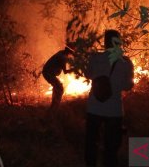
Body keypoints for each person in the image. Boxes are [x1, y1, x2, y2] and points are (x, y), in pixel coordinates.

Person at [84, 30, 134, 167]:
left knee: (91, 143)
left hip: (94, 107)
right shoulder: (126, 63)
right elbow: (127, 86)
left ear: (105, 42)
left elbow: (87, 74)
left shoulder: (95, 58)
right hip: (114, 110)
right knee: (111, 148)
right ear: (119, 42)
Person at [42, 46, 73, 112]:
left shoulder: (61, 53)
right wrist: (74, 69)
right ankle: (54, 107)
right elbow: (65, 72)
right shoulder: (62, 57)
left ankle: (54, 105)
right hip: (48, 73)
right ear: (69, 52)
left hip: (48, 72)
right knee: (59, 88)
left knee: (57, 87)